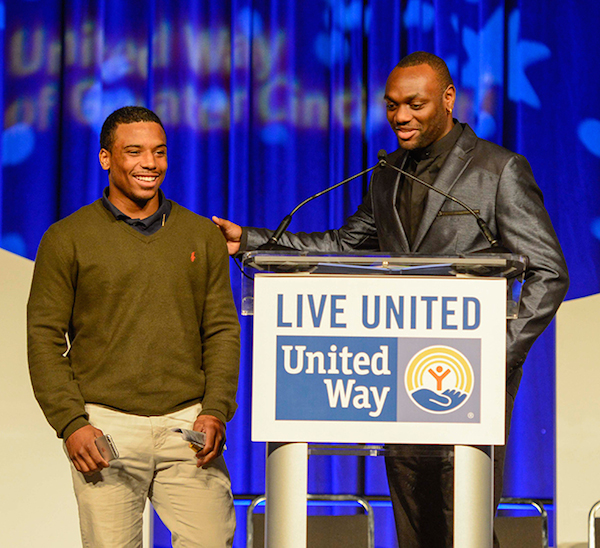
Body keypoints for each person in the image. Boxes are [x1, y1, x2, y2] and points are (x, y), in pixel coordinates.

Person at [212, 51, 569, 547]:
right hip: (398, 375)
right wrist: (250, 241)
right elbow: (343, 245)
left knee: (462, 522)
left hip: (467, 379)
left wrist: (495, 352)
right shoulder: (387, 173)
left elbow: (548, 272)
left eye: (415, 104)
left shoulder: (498, 169)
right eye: (392, 105)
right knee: (414, 527)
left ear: (448, 99)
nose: (401, 117)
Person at [27, 106, 240, 547]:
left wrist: (216, 408)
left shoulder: (201, 235)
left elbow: (221, 330)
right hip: (106, 429)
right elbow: (44, 339)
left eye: (159, 152)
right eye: (135, 151)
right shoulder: (67, 238)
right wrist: (72, 423)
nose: (150, 163)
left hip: (188, 429)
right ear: (106, 158)